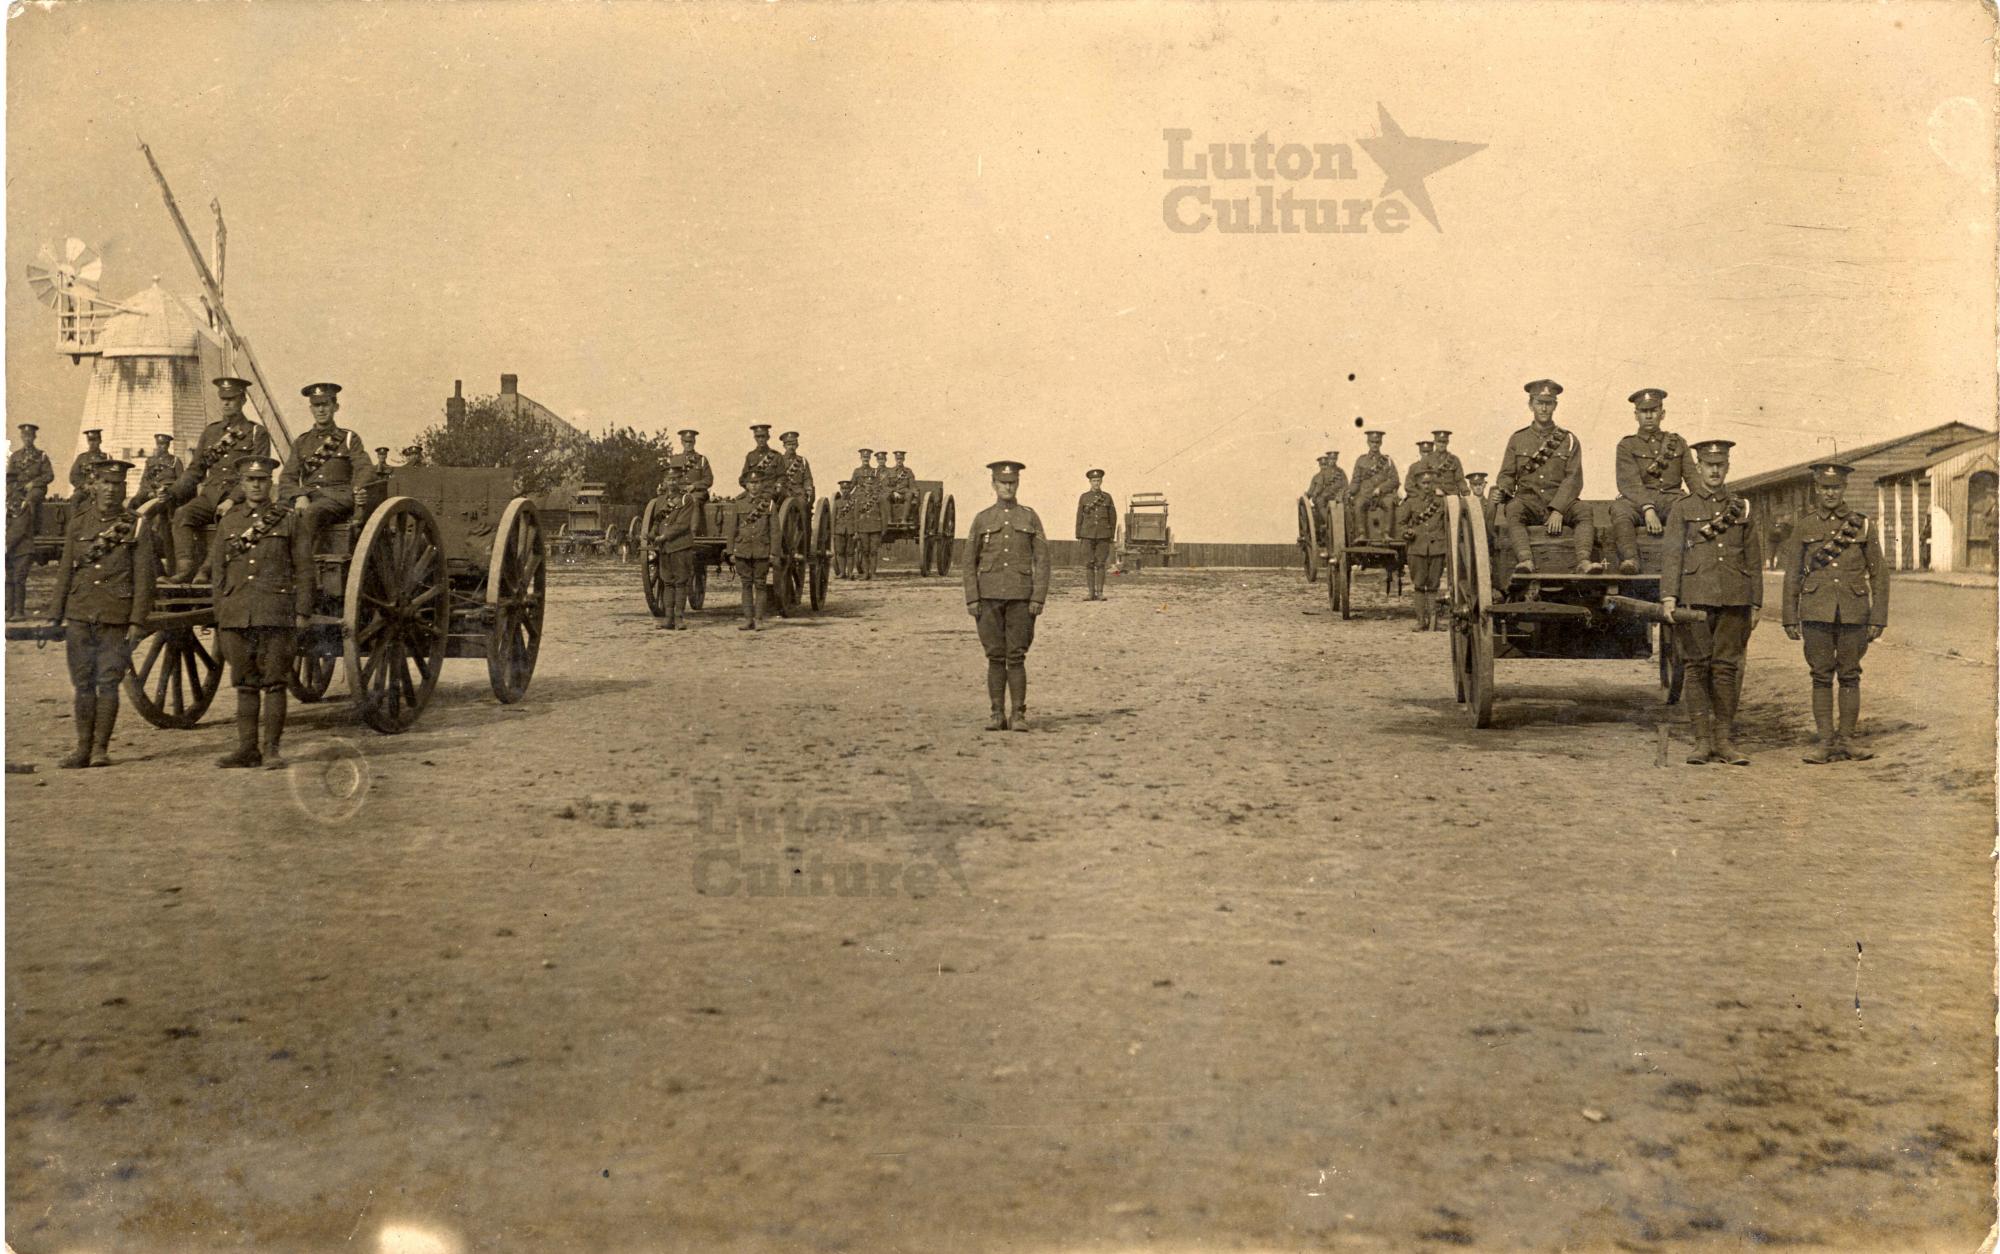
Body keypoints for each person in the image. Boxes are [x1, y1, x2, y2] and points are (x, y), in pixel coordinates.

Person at [1660, 439, 1764, 766]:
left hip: (1734, 598)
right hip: (1695, 598)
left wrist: (1756, 602)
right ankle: (1702, 741)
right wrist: (1669, 596)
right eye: (1708, 465)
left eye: (1720, 465)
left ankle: (1724, 741)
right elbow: (1672, 554)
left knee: (1726, 669)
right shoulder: (1683, 507)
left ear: (1728, 467)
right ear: (1699, 468)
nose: (1715, 470)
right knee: (1696, 667)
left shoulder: (1742, 508)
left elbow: (1753, 558)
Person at [1778, 461, 1889, 764]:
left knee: (1850, 675)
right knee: (1821, 676)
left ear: (1844, 489)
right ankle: (1825, 742)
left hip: (1854, 611)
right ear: (1817, 488)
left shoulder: (1862, 525)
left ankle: (1848, 740)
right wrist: (1790, 615)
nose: (1830, 493)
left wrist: (1878, 616)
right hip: (1816, 612)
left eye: (1836, 487)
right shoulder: (1805, 525)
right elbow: (1793, 574)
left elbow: (1879, 573)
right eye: (1825, 487)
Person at [48, 459, 154, 768]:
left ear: (124, 489)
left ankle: (100, 749)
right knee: (83, 683)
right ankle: (82, 748)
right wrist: (56, 614)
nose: (110, 490)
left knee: (108, 682)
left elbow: (144, 577)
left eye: (117, 485)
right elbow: (65, 570)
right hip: (80, 612)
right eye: (105, 484)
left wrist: (137, 621)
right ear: (94, 486)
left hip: (115, 614)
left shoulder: (135, 524)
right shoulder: (79, 523)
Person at [210, 455, 309, 769]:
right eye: (251, 480)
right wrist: (221, 612)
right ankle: (246, 749)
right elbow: (218, 571)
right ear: (242, 484)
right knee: (244, 682)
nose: (256, 485)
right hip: (237, 612)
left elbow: (305, 569)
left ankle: (272, 751)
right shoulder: (230, 521)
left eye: (262, 480)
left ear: (271, 484)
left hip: (275, 611)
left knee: (275, 682)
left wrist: (302, 612)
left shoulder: (288, 519)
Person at [964, 460, 1050, 731]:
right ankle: (996, 713)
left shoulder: (1029, 517)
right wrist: (972, 598)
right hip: (988, 597)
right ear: (993, 485)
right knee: (994, 656)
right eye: (1003, 483)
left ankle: (1018, 715)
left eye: (1012, 482)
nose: (1007, 487)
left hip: (1021, 597)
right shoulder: (982, 519)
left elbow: (1043, 560)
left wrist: (1038, 597)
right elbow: (969, 562)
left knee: (1016, 656)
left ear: (1018, 484)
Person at [170, 377, 272, 581]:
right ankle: (185, 569)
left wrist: (232, 499)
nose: (226, 403)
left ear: (243, 400)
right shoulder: (211, 432)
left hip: (241, 499)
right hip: (210, 496)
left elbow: (255, 475)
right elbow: (195, 470)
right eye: (223, 399)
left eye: (232, 399)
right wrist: (172, 492)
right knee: (182, 514)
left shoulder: (256, 433)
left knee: (230, 520)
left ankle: (205, 571)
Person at [281, 382, 375, 599]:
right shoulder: (301, 442)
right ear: (310, 409)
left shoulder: (349, 438)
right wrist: (299, 495)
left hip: (339, 497)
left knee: (311, 513)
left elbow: (364, 468)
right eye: (316, 405)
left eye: (325, 404)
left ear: (335, 407)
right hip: (309, 497)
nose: (321, 410)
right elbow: (287, 478)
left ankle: (302, 576)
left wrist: (358, 490)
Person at [1495, 379, 1599, 573]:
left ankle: (1584, 561)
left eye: (1548, 403)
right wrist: (1504, 488)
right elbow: (1506, 474)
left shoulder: (1568, 439)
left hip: (1560, 501)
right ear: (1530, 405)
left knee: (1584, 510)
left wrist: (1558, 509)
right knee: (1513, 508)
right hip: (1529, 501)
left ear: (1555, 406)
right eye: (1539, 403)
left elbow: (1573, 478)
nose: (1543, 408)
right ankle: (1525, 561)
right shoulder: (1518, 439)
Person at [1609, 388, 1692, 574]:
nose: (1648, 416)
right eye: (1644, 411)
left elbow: (1692, 477)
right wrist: (1648, 508)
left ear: (1662, 414)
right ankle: (1631, 559)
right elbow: (1629, 483)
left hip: (1671, 499)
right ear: (1636, 415)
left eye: (1653, 411)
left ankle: (1681, 564)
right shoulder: (1627, 445)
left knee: (1688, 508)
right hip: (1638, 502)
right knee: (1620, 509)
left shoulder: (1678, 443)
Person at [1402, 439, 1467, 631]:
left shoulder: (1442, 503)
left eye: (1430, 482)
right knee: (1419, 585)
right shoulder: (1411, 503)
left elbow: (1450, 524)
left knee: (1434, 586)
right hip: (1417, 549)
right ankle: (1420, 621)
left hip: (1437, 549)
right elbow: (1400, 523)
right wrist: (1407, 532)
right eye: (1424, 482)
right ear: (1418, 483)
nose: (1427, 485)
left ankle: (1434, 622)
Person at [7, 422, 56, 620]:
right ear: (22, 437)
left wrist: (33, 483)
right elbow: (9, 477)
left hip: (33, 490)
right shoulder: (16, 456)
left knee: (31, 502)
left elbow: (49, 475)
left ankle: (30, 526)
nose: (27, 439)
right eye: (24, 436)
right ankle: (10, 611)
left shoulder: (41, 456)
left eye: (30, 436)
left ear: (34, 438)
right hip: (16, 490)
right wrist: (11, 490)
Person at [651, 478, 702, 631]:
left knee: (680, 583)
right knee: (667, 583)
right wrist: (652, 534)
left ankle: (679, 618)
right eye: (668, 480)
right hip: (665, 548)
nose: (671, 483)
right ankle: (668, 619)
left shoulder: (686, 499)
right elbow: (657, 522)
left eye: (675, 480)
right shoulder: (660, 501)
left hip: (680, 546)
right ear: (664, 482)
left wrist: (664, 536)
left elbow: (682, 524)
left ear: (679, 482)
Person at [732, 483, 777, 632]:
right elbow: (732, 528)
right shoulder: (739, 503)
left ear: (761, 485)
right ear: (747, 485)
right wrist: (730, 550)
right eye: (751, 483)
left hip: (761, 549)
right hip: (743, 549)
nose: (754, 486)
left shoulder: (769, 504)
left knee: (760, 584)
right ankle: (748, 620)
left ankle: (759, 620)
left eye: (758, 483)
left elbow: (775, 530)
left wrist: (774, 552)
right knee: (745, 585)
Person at [1349, 431, 1399, 543]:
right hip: (1365, 495)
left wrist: (1381, 488)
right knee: (1358, 504)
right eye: (1372, 442)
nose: (1375, 444)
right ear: (1368, 442)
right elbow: (1356, 480)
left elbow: (1395, 480)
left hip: (1383, 495)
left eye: (1377, 442)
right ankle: (1361, 534)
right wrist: (1349, 492)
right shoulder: (1361, 460)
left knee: (1389, 503)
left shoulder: (1388, 461)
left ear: (1381, 443)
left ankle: (1386, 534)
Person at [1075, 468, 1117, 601]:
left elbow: (1112, 517)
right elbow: (1079, 516)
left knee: (1101, 564)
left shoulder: (1107, 497)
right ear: (1090, 482)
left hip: (1103, 534)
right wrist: (1078, 533)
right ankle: (1090, 593)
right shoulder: (1084, 497)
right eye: (1093, 481)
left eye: (1098, 480)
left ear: (1101, 481)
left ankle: (1100, 593)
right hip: (1087, 534)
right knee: (1089, 563)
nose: (1096, 483)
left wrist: (1111, 534)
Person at [850, 448, 884, 580]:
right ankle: (865, 573)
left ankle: (873, 573)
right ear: (861, 458)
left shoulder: (875, 472)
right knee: (865, 550)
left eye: (867, 457)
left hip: (874, 522)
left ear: (870, 458)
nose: (866, 459)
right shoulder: (857, 471)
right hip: (860, 503)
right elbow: (852, 484)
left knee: (873, 550)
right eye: (864, 457)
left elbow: (879, 486)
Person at [132, 433, 185, 510]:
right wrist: (150, 491)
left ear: (168, 445)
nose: (160, 446)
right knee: (134, 502)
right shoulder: (150, 461)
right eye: (158, 444)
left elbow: (181, 482)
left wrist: (169, 491)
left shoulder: (175, 460)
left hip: (167, 492)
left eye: (163, 444)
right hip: (151, 491)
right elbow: (144, 479)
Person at [1307, 451, 1348, 541]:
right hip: (1327, 496)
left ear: (1336, 459)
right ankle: (1329, 521)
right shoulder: (1323, 473)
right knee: (1320, 500)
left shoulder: (1341, 472)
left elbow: (1345, 485)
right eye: (1330, 459)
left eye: (1334, 459)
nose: (1332, 461)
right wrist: (1315, 495)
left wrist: (1341, 494)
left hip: (1339, 495)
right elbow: (1319, 486)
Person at [738, 424, 785, 494]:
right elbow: (743, 477)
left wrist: (778, 485)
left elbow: (782, 476)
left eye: (763, 436)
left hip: (770, 491)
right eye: (758, 437)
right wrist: (750, 487)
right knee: (739, 502)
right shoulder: (750, 456)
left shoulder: (777, 456)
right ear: (754, 438)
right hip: (753, 492)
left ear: (768, 437)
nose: (761, 439)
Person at [778, 431, 815, 511]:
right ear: (784, 446)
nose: (791, 447)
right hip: (783, 491)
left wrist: (808, 490)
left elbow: (807, 478)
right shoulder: (779, 460)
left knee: (802, 506)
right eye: (788, 444)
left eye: (793, 444)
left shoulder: (802, 461)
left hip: (798, 492)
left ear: (797, 445)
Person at [885, 451, 917, 527]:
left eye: (901, 459)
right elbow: (886, 485)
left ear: (903, 459)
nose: (899, 460)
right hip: (893, 494)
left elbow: (912, 485)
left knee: (909, 495)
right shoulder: (890, 471)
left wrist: (914, 492)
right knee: (885, 496)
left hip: (904, 494)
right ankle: (889, 519)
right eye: (897, 459)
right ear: (895, 459)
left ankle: (904, 519)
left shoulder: (908, 471)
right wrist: (893, 492)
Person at [830, 480, 855, 578]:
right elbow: (833, 518)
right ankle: (842, 573)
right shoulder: (837, 503)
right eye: (843, 489)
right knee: (840, 552)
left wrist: (856, 530)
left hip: (850, 530)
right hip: (839, 530)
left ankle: (850, 573)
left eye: (847, 489)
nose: (845, 491)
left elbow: (857, 516)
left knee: (850, 552)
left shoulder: (854, 501)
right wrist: (833, 533)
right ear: (840, 490)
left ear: (850, 490)